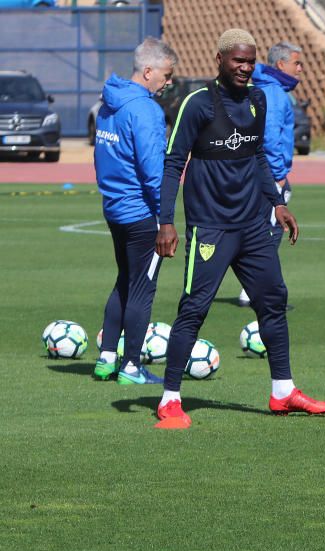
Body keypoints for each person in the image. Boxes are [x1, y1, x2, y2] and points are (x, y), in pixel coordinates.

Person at [153, 29, 325, 429]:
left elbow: (257, 159)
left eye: (250, 61)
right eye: (238, 60)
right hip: (211, 227)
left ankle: (283, 391)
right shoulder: (196, 105)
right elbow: (172, 164)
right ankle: (169, 400)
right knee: (194, 309)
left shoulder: (257, 100)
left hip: (253, 224)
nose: (245, 67)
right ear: (220, 60)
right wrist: (166, 221)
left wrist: (277, 203)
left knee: (273, 301)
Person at [93, 37, 178, 385]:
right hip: (142, 212)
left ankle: (106, 358)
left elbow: (101, 158)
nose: (169, 82)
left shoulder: (108, 103)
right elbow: (153, 168)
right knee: (142, 287)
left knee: (124, 283)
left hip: (114, 208)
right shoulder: (144, 109)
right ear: (148, 71)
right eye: (167, 74)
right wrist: (166, 218)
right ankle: (131, 367)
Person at [238, 41, 304, 307]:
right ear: (281, 64)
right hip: (268, 174)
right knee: (271, 231)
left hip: (252, 171)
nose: (300, 68)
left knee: (260, 230)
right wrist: (277, 176)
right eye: (296, 63)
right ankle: (259, 291)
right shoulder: (274, 94)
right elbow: (270, 138)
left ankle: (250, 288)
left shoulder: (258, 86)